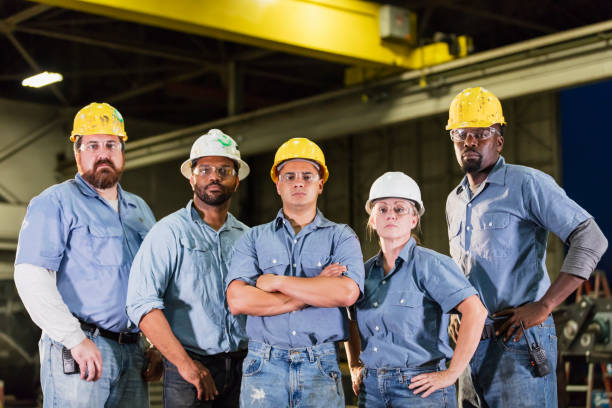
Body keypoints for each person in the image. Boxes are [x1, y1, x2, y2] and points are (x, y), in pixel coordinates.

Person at [445, 86, 608, 407]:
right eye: (461, 133)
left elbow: (591, 238)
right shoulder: (454, 200)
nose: (470, 141)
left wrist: (546, 305)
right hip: (469, 346)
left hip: (519, 341)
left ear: (499, 141)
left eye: (482, 133)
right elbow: (464, 265)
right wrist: (456, 305)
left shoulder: (526, 184)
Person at [14, 102, 156, 407]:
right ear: (78, 152)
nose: (102, 153)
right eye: (92, 145)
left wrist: (155, 343)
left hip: (133, 351)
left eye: (111, 144)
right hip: (81, 346)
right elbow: (30, 275)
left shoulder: (140, 210)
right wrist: (75, 340)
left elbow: (154, 281)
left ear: (122, 151)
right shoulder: (55, 202)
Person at [225, 137, 365, 408]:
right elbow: (238, 300)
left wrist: (275, 282)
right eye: (289, 176)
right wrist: (317, 287)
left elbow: (347, 293)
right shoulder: (253, 238)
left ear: (320, 184)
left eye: (307, 176)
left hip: (320, 365)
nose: (298, 182)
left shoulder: (341, 237)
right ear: (277, 184)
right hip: (262, 366)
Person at [126, 129, 250, 407]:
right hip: (189, 371)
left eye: (224, 169)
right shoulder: (169, 233)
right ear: (192, 177)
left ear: (236, 179)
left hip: (244, 369)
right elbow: (141, 304)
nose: (214, 176)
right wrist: (183, 363)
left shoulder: (247, 238)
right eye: (204, 169)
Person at [344, 172, 487, 408]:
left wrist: (452, 374)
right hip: (371, 392)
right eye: (382, 209)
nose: (390, 214)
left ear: (413, 220)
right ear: (372, 220)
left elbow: (476, 311)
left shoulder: (431, 265)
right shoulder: (363, 273)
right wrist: (354, 365)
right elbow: (350, 318)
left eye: (399, 209)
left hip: (420, 390)